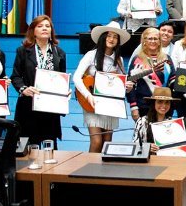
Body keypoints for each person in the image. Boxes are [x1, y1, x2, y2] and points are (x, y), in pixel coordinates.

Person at [73, 21, 132, 152]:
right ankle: (89, 171)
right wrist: (88, 96)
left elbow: (119, 84)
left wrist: (127, 87)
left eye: (115, 37)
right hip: (92, 103)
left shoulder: (119, 60)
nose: (111, 39)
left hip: (109, 104)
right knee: (96, 141)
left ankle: (102, 171)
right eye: (109, 35)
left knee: (107, 142)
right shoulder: (91, 55)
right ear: (103, 37)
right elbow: (76, 77)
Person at [10, 15, 67, 147]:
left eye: (47, 26)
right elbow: (16, 76)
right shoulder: (23, 51)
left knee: (50, 145)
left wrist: (65, 91)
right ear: (33, 31)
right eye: (40, 26)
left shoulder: (60, 53)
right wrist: (24, 89)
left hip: (50, 107)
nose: (44, 29)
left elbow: (62, 78)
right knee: (29, 146)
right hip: (29, 105)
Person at [126, 27, 175, 121]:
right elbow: (130, 85)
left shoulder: (166, 59)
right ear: (144, 41)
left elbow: (173, 81)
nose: (153, 41)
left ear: (160, 41)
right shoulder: (137, 59)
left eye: (156, 39)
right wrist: (133, 107)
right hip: (143, 106)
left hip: (164, 106)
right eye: (150, 38)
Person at [133, 86, 178, 154]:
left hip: (167, 160)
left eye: (167, 102)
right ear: (154, 103)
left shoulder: (174, 123)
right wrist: (147, 147)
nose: (164, 105)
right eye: (160, 102)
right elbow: (134, 144)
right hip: (147, 161)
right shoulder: (142, 121)